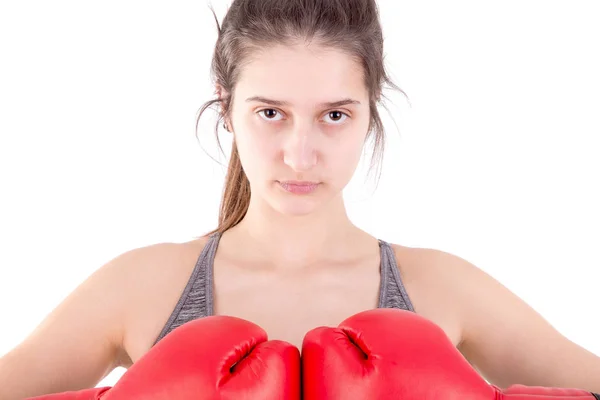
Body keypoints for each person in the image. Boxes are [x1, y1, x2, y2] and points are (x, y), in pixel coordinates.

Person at [1, 0, 599, 398]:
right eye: (270, 113)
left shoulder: (443, 288)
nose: (300, 153)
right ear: (226, 107)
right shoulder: (140, 287)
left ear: (371, 112)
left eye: (335, 114)